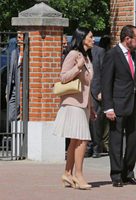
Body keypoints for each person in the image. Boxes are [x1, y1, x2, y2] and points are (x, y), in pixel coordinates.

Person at [101, 25, 136, 187]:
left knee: (134, 138)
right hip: (117, 105)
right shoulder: (112, 55)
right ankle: (117, 175)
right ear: (127, 39)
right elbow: (106, 82)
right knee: (116, 141)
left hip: (133, 104)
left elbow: (132, 77)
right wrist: (108, 107)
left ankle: (128, 172)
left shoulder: (132, 54)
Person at [53, 27, 94, 190]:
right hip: (73, 103)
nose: (93, 39)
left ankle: (67, 173)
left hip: (84, 104)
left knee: (75, 140)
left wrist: (92, 107)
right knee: (82, 138)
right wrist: (78, 67)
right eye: (90, 36)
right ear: (82, 38)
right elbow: (63, 77)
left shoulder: (87, 57)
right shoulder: (73, 55)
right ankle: (79, 175)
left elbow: (88, 85)